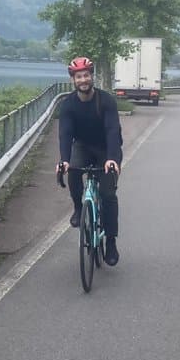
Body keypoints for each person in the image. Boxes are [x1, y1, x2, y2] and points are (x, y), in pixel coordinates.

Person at [56, 56, 122, 265]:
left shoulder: (106, 101)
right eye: (78, 77)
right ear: (73, 80)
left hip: (106, 148)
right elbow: (65, 134)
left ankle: (110, 242)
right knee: (74, 170)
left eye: (86, 75)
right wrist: (64, 160)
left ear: (92, 77)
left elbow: (113, 130)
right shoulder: (68, 105)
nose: (83, 80)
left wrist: (112, 159)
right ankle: (78, 207)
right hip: (82, 146)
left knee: (108, 194)